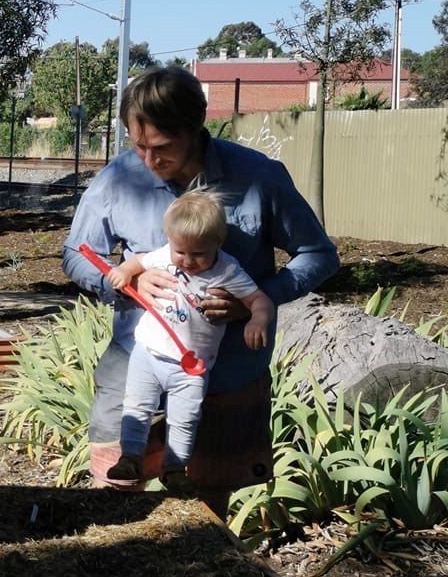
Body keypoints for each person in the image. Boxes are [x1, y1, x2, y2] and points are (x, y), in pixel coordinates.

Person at [63, 66, 339, 517]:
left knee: (208, 507)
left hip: (228, 370)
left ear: (195, 127)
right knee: (115, 491)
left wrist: (253, 301)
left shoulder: (259, 178)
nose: (148, 161)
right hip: (134, 364)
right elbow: (77, 253)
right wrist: (126, 281)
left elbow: (318, 255)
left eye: (162, 148)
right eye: (138, 145)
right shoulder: (119, 178)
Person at [104, 192, 275, 491]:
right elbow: (138, 261)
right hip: (149, 353)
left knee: (186, 417)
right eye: (180, 251)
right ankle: (130, 457)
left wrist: (257, 319)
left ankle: (175, 467)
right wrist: (124, 272)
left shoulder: (227, 270)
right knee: (137, 407)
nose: (187, 260)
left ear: (218, 244)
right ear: (170, 240)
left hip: (192, 367)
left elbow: (259, 299)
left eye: (198, 254)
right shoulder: (166, 255)